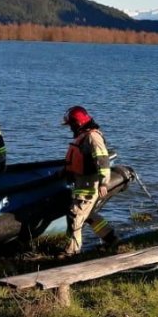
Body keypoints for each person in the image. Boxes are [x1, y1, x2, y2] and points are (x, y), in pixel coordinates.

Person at [61, 105, 118, 257]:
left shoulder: (93, 137)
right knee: (89, 215)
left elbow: (103, 160)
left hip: (89, 185)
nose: (70, 128)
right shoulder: (84, 137)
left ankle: (72, 253)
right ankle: (110, 238)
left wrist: (104, 183)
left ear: (77, 123)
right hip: (82, 184)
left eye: (71, 125)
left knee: (76, 215)